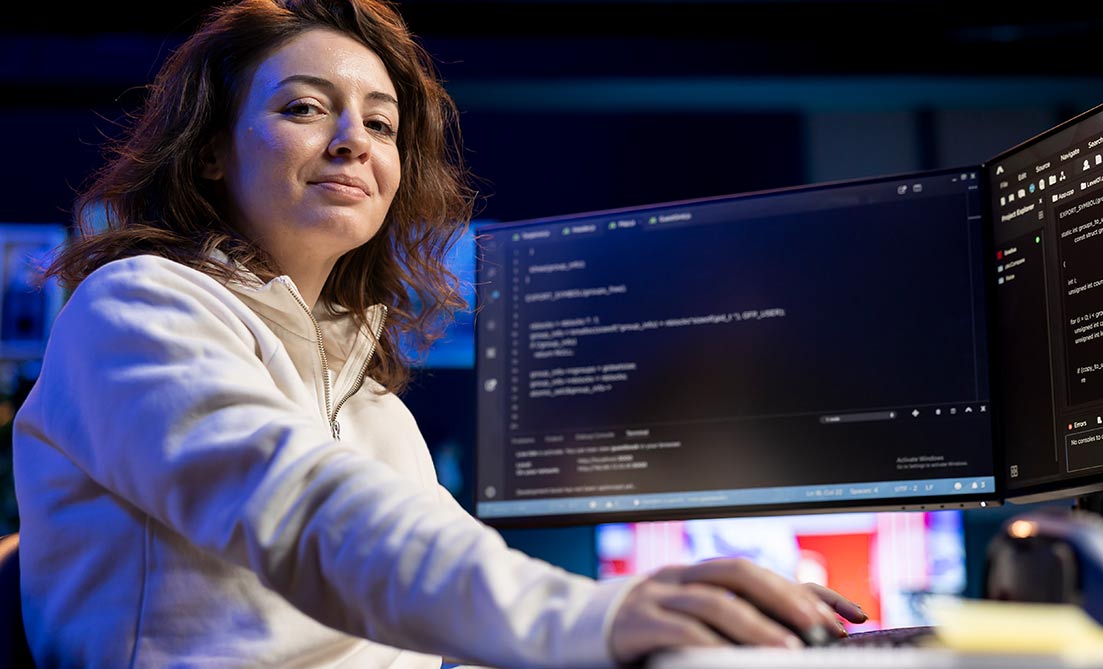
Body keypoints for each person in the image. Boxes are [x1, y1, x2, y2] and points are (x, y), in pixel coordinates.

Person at [12, 0, 867, 667]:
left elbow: (442, 607)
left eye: (380, 123)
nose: (353, 141)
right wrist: (603, 619)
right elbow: (304, 509)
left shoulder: (370, 395)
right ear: (210, 151)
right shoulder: (137, 305)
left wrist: (700, 619)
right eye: (307, 107)